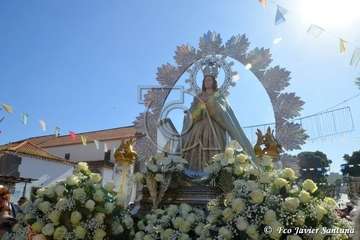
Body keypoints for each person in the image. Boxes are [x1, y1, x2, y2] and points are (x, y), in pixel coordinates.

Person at [180, 71, 256, 172]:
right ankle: (195, 174)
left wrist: (210, 103)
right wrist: (198, 107)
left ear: (213, 82)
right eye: (205, 80)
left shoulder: (219, 95)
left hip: (215, 129)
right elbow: (191, 115)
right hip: (197, 130)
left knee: (214, 156)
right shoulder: (198, 96)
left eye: (209, 80)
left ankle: (214, 174)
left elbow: (224, 112)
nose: (207, 82)